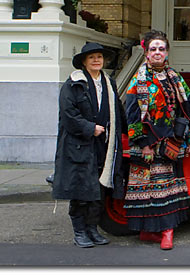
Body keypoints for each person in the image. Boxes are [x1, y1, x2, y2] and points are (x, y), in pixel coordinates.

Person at [124, 29, 190, 250]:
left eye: (161, 49)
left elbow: (187, 109)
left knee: (166, 189)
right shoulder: (138, 79)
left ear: (167, 53)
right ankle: (148, 232)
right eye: (153, 49)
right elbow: (131, 113)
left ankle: (167, 232)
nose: (157, 52)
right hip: (146, 144)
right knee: (146, 190)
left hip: (169, 143)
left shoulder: (176, 78)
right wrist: (143, 144)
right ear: (146, 53)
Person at [52, 42, 127, 248]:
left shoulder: (109, 83)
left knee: (99, 190)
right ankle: (80, 232)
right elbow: (68, 115)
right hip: (78, 146)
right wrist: (89, 128)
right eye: (92, 57)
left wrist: (131, 132)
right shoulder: (73, 84)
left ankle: (93, 230)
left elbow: (118, 111)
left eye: (99, 57)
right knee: (81, 190)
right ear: (84, 62)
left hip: (103, 145)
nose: (96, 60)